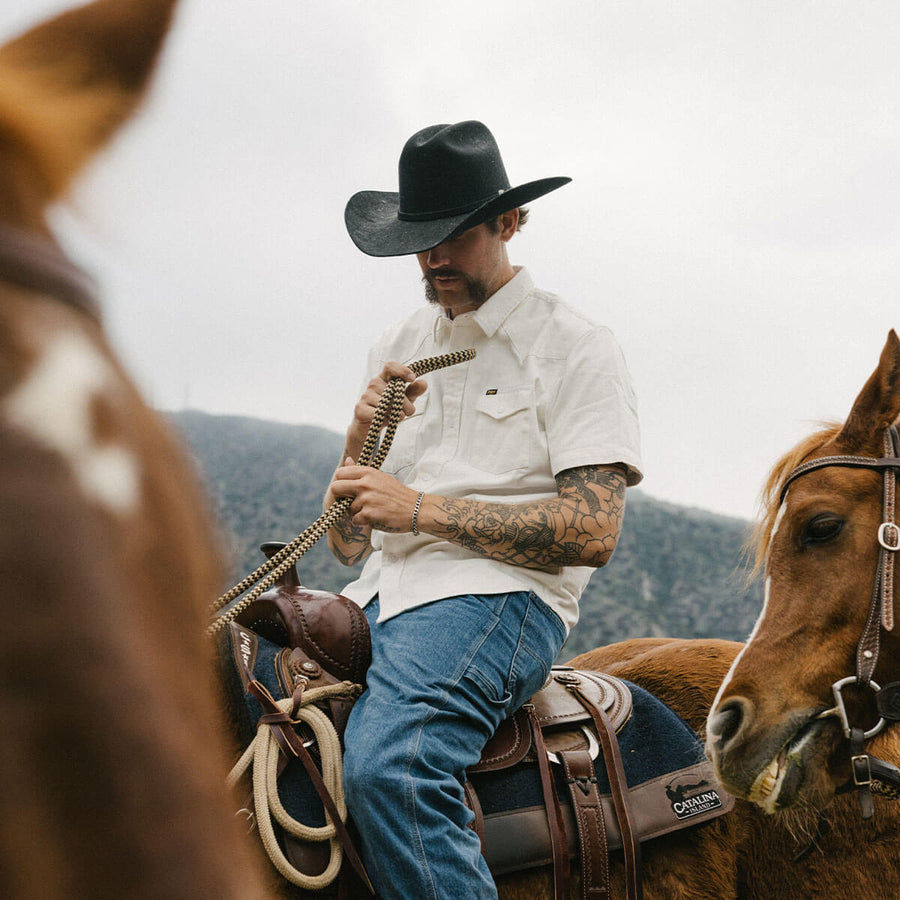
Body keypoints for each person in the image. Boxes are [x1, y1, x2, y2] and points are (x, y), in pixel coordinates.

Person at [325, 120, 642, 899]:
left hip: (498, 600)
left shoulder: (575, 345)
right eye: (419, 241)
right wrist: (360, 444)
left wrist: (419, 510)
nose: (433, 258)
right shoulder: (397, 342)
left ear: (509, 221)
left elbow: (593, 532)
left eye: (453, 235)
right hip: (373, 596)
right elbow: (344, 546)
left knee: (394, 767)